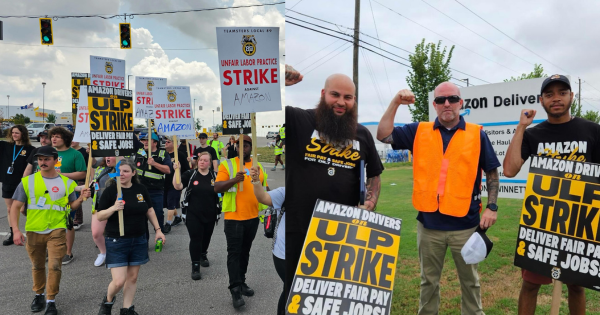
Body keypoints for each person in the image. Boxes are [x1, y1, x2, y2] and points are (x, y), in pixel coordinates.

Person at [377, 83, 500, 315]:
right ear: (434, 104)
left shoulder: (477, 134)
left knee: (470, 283)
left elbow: (492, 172)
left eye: (452, 99)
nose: (447, 104)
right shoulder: (418, 130)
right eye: (441, 100)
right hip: (429, 225)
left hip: (465, 225)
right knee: (428, 283)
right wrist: (395, 102)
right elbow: (383, 135)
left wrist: (492, 206)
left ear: (460, 103)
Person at [284, 73, 383, 301]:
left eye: (348, 97)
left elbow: (375, 175)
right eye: (335, 95)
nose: (341, 102)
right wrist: (281, 81)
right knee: (295, 298)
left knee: (336, 300)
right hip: (299, 233)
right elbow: (263, 107)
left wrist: (370, 201)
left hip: (343, 238)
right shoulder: (299, 120)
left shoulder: (362, 134)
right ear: (322, 94)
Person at [503, 74, 591, 315]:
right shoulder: (534, 134)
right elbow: (509, 170)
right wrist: (521, 127)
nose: (556, 99)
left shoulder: (592, 131)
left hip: (579, 224)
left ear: (571, 96)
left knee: (576, 286)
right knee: (530, 285)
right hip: (541, 224)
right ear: (541, 100)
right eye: (549, 94)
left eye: (562, 93)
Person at [9, 146, 91, 315]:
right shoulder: (28, 181)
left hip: (57, 230)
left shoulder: (67, 183)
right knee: (38, 266)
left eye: (46, 159)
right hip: (33, 230)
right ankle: (39, 294)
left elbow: (71, 206)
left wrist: (82, 199)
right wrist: (16, 230)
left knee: (54, 266)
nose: (43, 162)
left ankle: (50, 300)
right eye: (40, 159)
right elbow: (15, 207)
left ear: (55, 160)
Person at [96, 158, 166, 315]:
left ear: (133, 173)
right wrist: (114, 207)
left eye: (126, 171)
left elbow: (149, 210)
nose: (122, 174)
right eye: (119, 171)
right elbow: (100, 216)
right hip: (117, 240)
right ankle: (108, 301)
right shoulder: (111, 190)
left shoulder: (140, 188)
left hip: (139, 238)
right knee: (119, 281)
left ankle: (127, 309)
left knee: (132, 278)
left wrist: (158, 230)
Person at [214, 135, 269, 309]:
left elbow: (265, 189)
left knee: (245, 253)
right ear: (235, 147)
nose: (243, 147)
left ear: (251, 148)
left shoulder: (257, 166)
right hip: (234, 218)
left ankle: (242, 281)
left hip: (252, 217)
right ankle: (235, 289)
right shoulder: (228, 164)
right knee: (234, 254)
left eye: (246, 145)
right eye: (240, 145)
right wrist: (234, 180)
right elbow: (217, 188)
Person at [173, 152, 219, 280]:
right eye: (200, 160)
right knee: (196, 238)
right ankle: (195, 265)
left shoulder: (214, 176)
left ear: (210, 163)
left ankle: (203, 254)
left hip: (210, 213)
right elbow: (178, 186)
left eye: (205, 160)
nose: (202, 162)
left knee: (206, 237)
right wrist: (176, 171)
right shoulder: (190, 174)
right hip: (193, 213)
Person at [47, 127, 87, 265]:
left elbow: (82, 173)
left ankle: (67, 252)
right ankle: (52, 249)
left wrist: (63, 175)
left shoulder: (75, 154)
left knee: (67, 223)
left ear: (65, 139)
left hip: (68, 193)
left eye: (57, 136)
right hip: (48, 193)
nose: (54, 139)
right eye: (52, 136)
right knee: (50, 222)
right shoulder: (47, 153)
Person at [250, 166, 285, 315]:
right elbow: (263, 198)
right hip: (285, 254)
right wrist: (256, 181)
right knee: (291, 288)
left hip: (314, 253)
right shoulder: (286, 191)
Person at [1, 125, 35, 246]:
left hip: (22, 183)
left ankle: (34, 233)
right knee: (10, 209)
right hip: (7, 181)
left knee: (24, 210)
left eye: (17, 133)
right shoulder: (5, 146)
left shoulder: (31, 149)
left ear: (23, 134)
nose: (14, 135)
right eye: (13, 133)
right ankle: (12, 232)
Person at [133, 132, 172, 237]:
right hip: (140, 190)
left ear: (155, 143)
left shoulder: (163, 154)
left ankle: (160, 235)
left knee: (158, 214)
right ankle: (144, 240)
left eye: (147, 140)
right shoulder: (139, 151)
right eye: (143, 140)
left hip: (155, 191)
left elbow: (168, 170)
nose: (144, 142)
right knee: (141, 216)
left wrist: (154, 163)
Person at [90, 157, 118, 267]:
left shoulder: (122, 168)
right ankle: (103, 252)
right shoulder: (101, 168)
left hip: (117, 206)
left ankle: (116, 253)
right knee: (96, 233)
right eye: (106, 155)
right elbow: (94, 183)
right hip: (100, 206)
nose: (108, 158)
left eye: (111, 155)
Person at [162, 137, 189, 233]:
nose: (166, 143)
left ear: (174, 144)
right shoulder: (164, 155)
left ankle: (168, 224)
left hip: (175, 184)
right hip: (164, 184)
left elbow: (187, 170)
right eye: (165, 142)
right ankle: (177, 217)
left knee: (171, 204)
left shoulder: (179, 155)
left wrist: (182, 184)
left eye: (168, 142)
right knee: (168, 204)